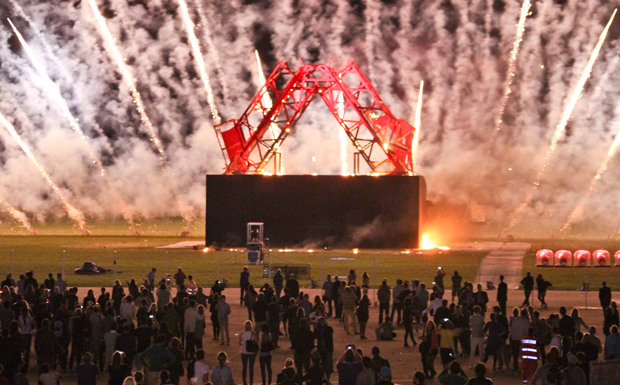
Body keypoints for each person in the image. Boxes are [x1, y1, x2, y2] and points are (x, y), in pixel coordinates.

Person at [240, 320, 257, 385]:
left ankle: (244, 382)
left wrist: (243, 343)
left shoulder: (242, 333)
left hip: (244, 352)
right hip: (251, 352)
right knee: (251, 368)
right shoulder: (253, 333)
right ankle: (251, 382)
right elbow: (256, 342)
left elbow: (239, 342)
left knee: (244, 368)